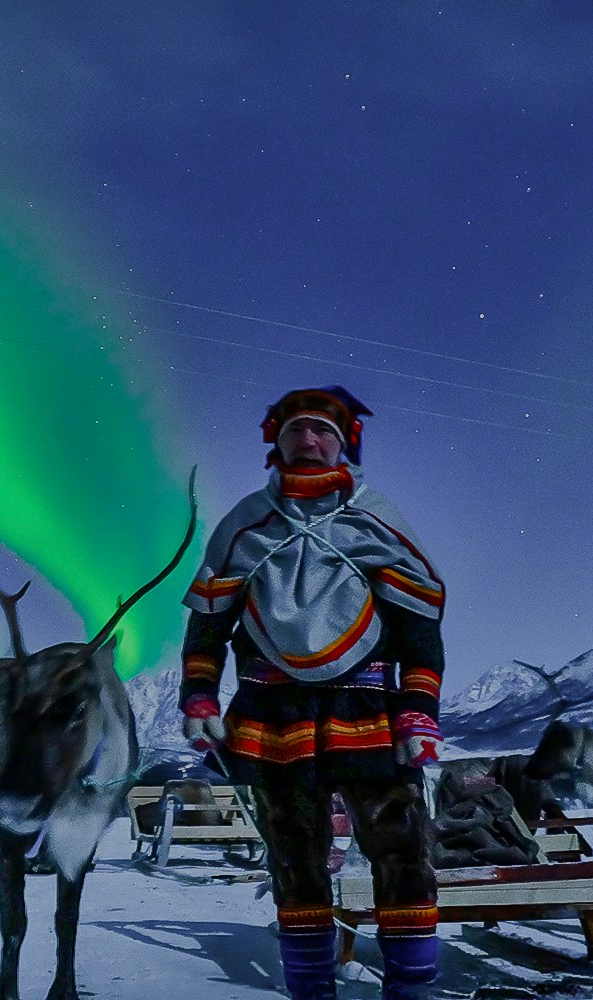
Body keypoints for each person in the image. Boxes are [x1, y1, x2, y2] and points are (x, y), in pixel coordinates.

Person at [179, 386, 446, 1000]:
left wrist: (419, 714)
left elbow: (418, 628)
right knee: (296, 860)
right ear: (275, 442)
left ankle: (410, 992)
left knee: (403, 851)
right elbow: (209, 626)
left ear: (345, 443)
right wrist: (199, 696)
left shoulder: (376, 520)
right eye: (296, 429)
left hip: (369, 711)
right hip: (275, 713)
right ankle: (311, 992)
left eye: (322, 430)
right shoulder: (244, 526)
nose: (308, 439)